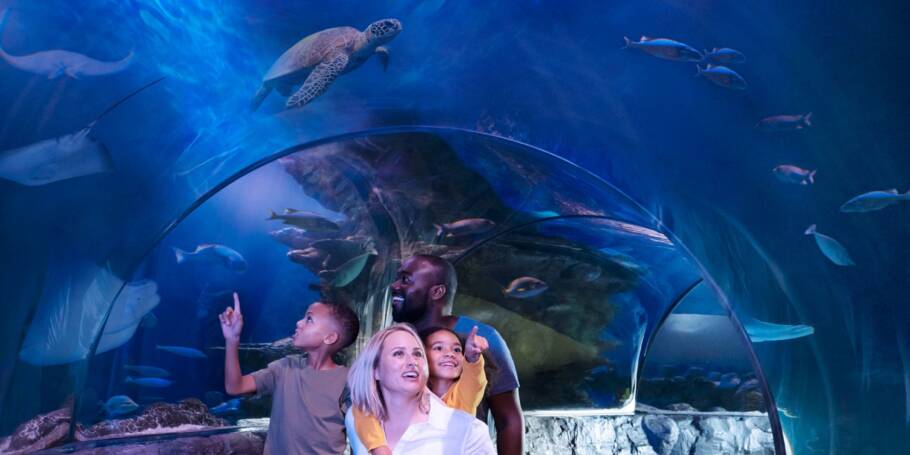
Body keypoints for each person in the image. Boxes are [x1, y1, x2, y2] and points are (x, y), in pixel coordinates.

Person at [388, 254, 524, 454]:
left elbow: (508, 420)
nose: (394, 286)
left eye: (406, 279)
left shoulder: (481, 338)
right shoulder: (394, 340)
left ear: (437, 292)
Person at [220, 292, 359, 455]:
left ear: (329, 337)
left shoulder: (348, 381)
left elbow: (363, 430)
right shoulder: (285, 368)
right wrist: (232, 340)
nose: (299, 323)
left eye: (309, 319)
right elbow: (235, 387)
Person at [346, 324, 495, 454]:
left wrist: (472, 358)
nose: (412, 361)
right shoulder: (356, 417)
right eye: (398, 353)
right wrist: (379, 448)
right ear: (375, 370)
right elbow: (361, 408)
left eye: (417, 354)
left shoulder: (469, 427)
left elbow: (473, 383)